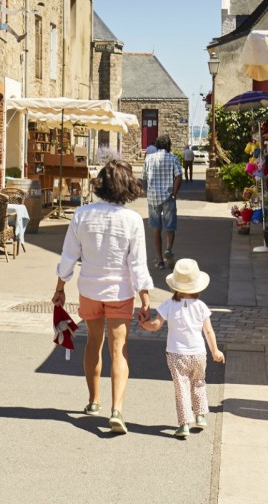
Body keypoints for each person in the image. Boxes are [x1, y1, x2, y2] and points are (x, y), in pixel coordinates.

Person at [53, 160, 152, 435]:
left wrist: (60, 287)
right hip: (120, 291)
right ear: (127, 186)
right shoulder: (132, 220)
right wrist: (144, 297)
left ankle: (93, 400)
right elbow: (138, 264)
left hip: (90, 289)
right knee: (118, 348)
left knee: (93, 343)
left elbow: (69, 255)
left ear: (101, 185)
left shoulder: (82, 214)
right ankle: (117, 409)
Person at [138, 258, 225, 439]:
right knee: (199, 382)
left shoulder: (168, 305)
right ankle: (200, 415)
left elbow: (156, 325)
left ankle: (184, 424)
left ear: (174, 286)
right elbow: (208, 331)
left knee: (182, 388)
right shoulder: (201, 306)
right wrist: (215, 351)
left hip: (177, 355)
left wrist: (145, 325)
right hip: (199, 353)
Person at [141, 136, 183, 269]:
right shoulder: (173, 158)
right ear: (168, 146)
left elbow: (144, 178)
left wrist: (149, 190)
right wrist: (174, 194)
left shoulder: (149, 158)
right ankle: (168, 250)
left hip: (153, 198)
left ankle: (159, 260)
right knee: (170, 227)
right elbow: (178, 176)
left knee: (156, 230)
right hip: (168, 197)